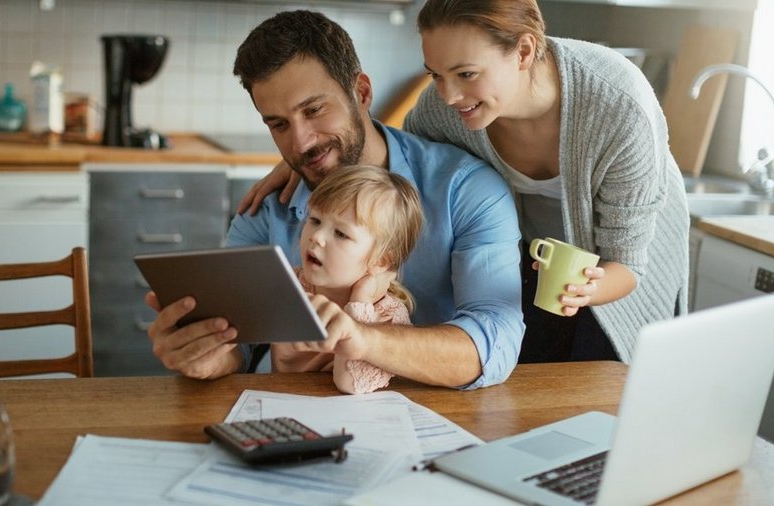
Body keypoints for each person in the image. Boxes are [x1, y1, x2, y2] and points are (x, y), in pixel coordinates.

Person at [242, 0, 690, 365]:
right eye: (437, 75)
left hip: (618, 265)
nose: (449, 94)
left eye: (466, 74)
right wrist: (309, 157)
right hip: (537, 260)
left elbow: (629, 263)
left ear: (524, 52)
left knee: (608, 379)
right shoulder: (445, 109)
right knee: (533, 374)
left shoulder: (618, 106)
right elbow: (396, 158)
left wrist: (589, 288)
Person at [145, 9, 525, 390]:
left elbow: (495, 341)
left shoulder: (466, 190)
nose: (301, 143)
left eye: (313, 110)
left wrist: (363, 340)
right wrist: (207, 355)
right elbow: (239, 342)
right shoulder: (264, 211)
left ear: (361, 92)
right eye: (278, 124)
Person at [274, 164, 424, 394]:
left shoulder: (387, 316)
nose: (317, 237)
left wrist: (359, 304)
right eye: (314, 220)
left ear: (381, 261)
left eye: (341, 234)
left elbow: (349, 384)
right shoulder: (292, 286)